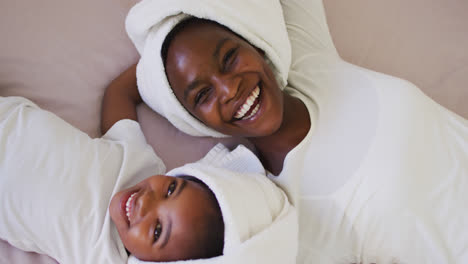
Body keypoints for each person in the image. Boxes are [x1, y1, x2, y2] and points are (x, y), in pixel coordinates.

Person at [106, 0, 468, 262]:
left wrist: (167, 28)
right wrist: (149, 77)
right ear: (193, 121)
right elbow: (120, 102)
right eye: (202, 94)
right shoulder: (291, 216)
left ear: (256, 44)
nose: (229, 89)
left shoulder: (310, 61)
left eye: (229, 57)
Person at [0, 96, 297, 264]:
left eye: (157, 232)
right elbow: (121, 100)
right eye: (171, 189)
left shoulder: (107, 259)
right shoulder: (141, 163)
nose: (146, 203)